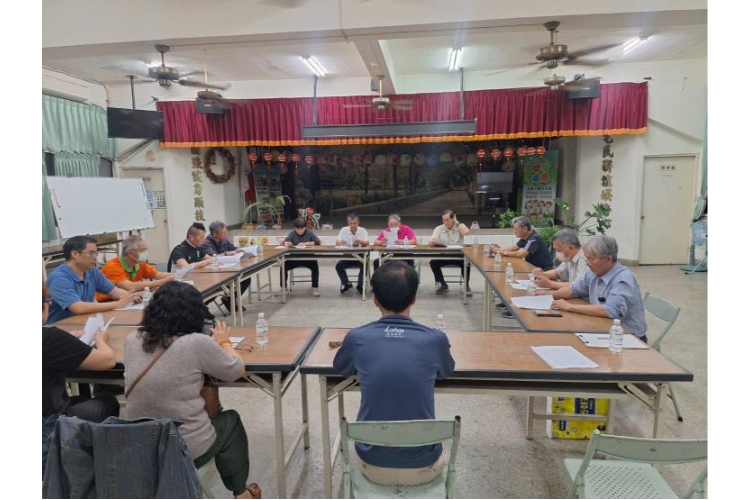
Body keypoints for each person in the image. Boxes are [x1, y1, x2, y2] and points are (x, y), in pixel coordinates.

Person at [123, 281, 261, 499]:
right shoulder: (196, 342)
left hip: (139, 445)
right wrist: (224, 342)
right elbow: (236, 370)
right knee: (231, 421)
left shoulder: (132, 339)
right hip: (183, 446)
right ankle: (241, 492)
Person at [333, 261, 455, 486]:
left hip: (372, 465)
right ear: (414, 298)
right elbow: (445, 373)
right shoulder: (435, 340)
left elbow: (342, 369)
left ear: (375, 300)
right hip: (424, 466)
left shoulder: (357, 337)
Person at [42, 283, 119, 422]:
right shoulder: (50, 338)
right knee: (108, 401)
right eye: (48, 300)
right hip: (50, 423)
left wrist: (66, 339)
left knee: (83, 399)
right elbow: (108, 361)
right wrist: (101, 340)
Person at [551, 235, 648, 342]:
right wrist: (550, 297)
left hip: (627, 338)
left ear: (608, 259)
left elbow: (609, 310)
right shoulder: (594, 272)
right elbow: (574, 289)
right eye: (586, 258)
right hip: (602, 328)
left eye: (591, 259)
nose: (587, 263)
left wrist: (569, 307)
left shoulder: (623, 278)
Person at [46, 235, 142, 325]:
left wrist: (132, 296)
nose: (95, 257)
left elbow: (114, 291)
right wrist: (117, 304)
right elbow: (77, 307)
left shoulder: (91, 271)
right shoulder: (58, 278)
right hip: (58, 326)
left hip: (81, 322)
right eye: (91, 253)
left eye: (96, 253)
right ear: (75, 254)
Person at [95, 235, 174, 302]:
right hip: (108, 302)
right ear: (130, 253)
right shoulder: (112, 266)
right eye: (143, 250)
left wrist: (175, 275)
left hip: (131, 299)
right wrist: (163, 281)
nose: (146, 253)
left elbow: (158, 275)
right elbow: (130, 286)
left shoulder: (139, 263)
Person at [204, 221, 251, 311]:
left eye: (226, 231)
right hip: (214, 273)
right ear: (215, 234)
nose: (227, 233)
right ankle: (202, 306)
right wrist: (227, 253)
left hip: (228, 269)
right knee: (216, 286)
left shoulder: (224, 240)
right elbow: (213, 257)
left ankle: (229, 298)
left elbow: (234, 249)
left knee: (245, 278)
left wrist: (243, 249)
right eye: (224, 232)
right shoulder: (206, 243)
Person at [428, 209, 472, 296]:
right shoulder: (439, 228)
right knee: (433, 262)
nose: (446, 222)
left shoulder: (459, 226)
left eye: (448, 220)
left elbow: (466, 232)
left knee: (466, 262)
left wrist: (457, 222)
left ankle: (466, 285)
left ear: (453, 218)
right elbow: (431, 240)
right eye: (443, 220)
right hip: (444, 256)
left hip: (458, 256)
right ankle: (443, 284)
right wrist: (432, 243)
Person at [282, 217, 321, 296]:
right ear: (295, 228)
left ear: (305, 227)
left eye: (302, 229)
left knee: (315, 265)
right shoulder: (292, 233)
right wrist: (287, 244)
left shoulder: (309, 233)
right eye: (297, 229)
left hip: (308, 258)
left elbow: (317, 241)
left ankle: (314, 287)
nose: (300, 231)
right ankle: (283, 287)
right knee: (283, 266)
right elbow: (285, 242)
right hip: (294, 259)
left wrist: (305, 243)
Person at [334, 213, 369, 294]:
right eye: (351, 223)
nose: (353, 225)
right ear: (348, 223)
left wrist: (361, 242)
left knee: (365, 265)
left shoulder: (362, 230)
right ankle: (347, 284)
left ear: (358, 222)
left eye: (354, 223)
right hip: (347, 256)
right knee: (339, 266)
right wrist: (341, 243)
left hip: (360, 256)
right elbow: (337, 242)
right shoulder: (343, 230)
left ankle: (360, 286)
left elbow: (367, 243)